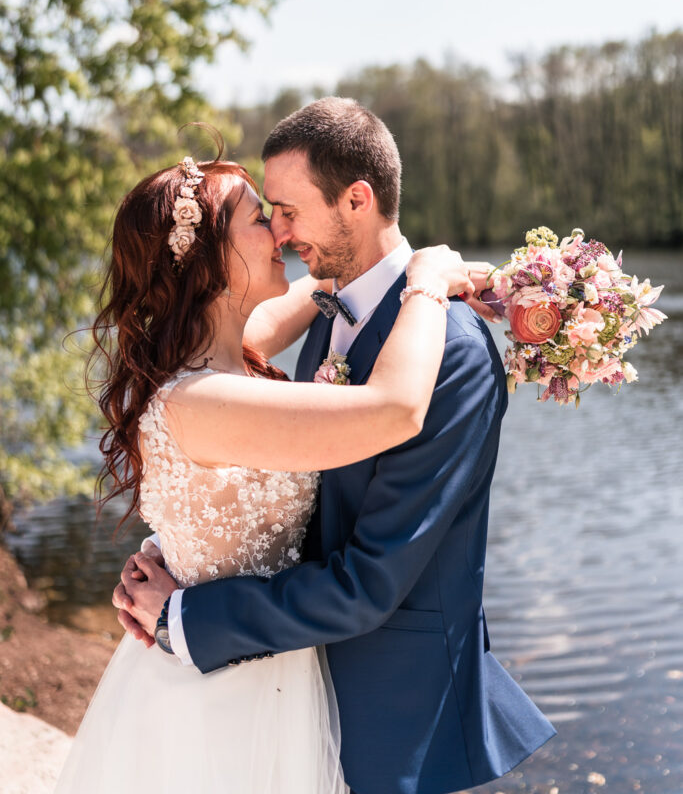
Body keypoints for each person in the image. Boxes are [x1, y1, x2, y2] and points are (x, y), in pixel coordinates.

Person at [115, 98, 556, 794]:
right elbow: (365, 424)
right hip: (275, 689)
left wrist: (185, 606)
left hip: (391, 709)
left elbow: (371, 577)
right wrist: (183, 556)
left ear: (357, 198)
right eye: (264, 217)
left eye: (284, 210)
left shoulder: (452, 354)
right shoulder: (321, 323)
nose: (281, 233)